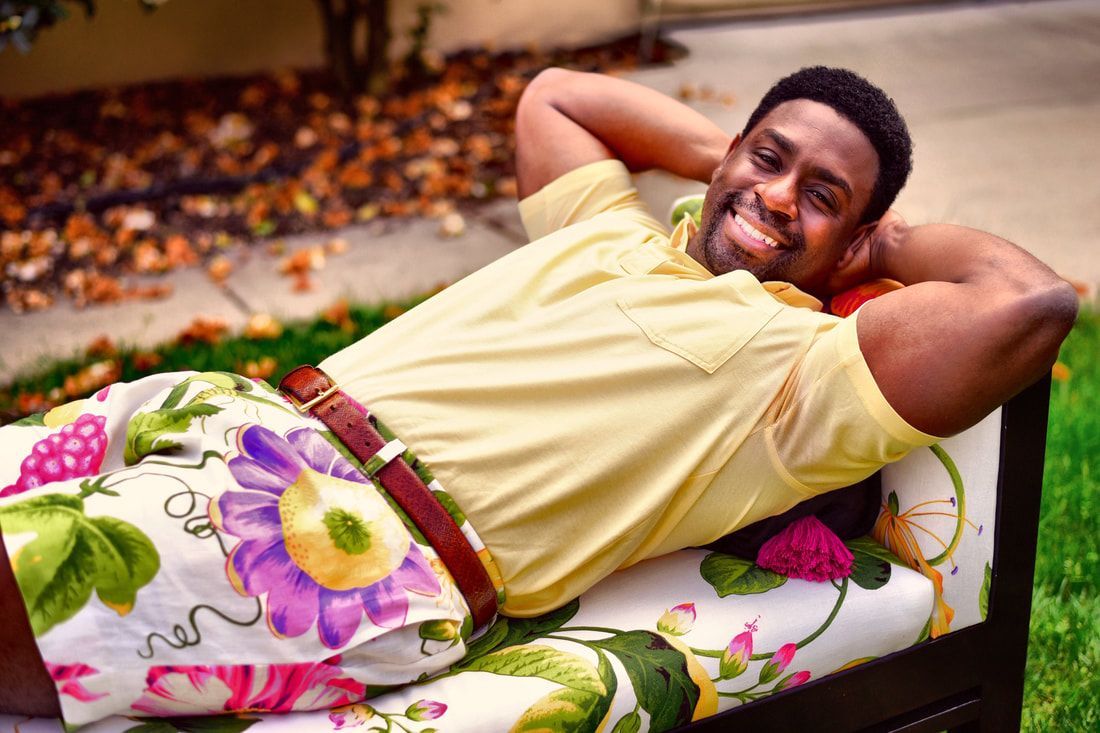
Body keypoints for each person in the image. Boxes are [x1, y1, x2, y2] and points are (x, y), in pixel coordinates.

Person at [0, 66, 1077, 726]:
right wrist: (736, 166)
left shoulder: (797, 370)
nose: (777, 195)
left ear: (853, 239)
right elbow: (555, 94)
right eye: (768, 157)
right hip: (232, 415)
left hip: (351, 543)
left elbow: (1027, 303)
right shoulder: (611, 232)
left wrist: (872, 244)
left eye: (822, 196)